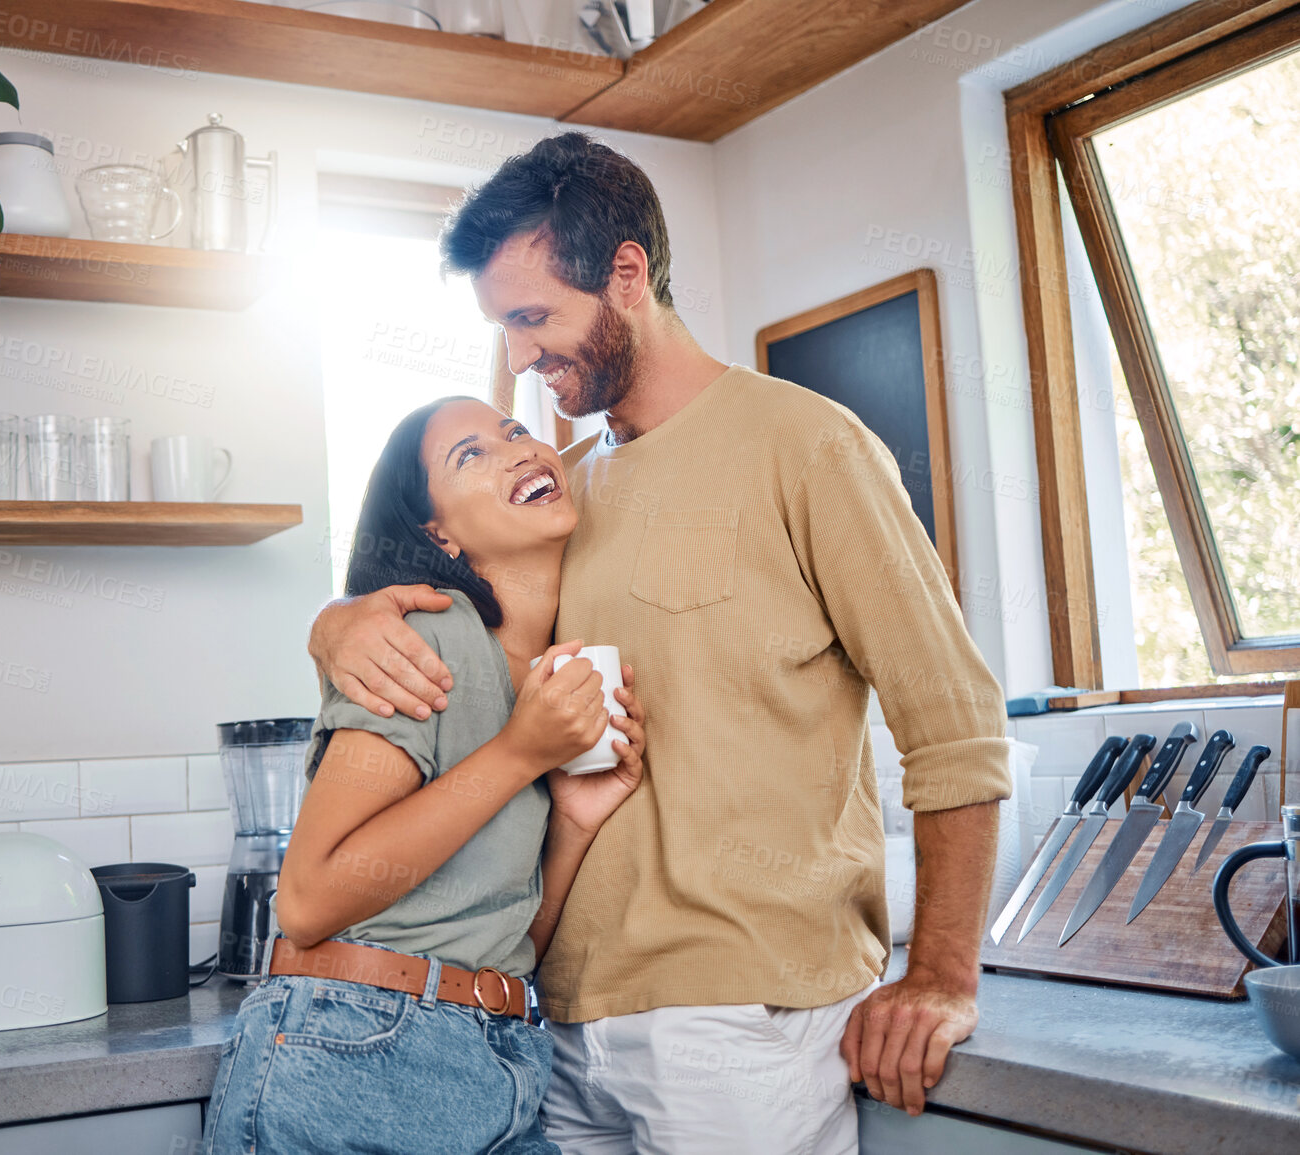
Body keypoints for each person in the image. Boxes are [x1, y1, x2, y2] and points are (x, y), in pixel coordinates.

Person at [308, 133, 1014, 1154]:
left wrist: (944, 974)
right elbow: (450, 632)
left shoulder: (808, 447)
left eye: (532, 318)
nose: (518, 358)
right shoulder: (560, 491)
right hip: (556, 1030)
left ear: (627, 275)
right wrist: (332, 623)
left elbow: (955, 725)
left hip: (743, 1030)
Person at [201, 396, 648, 1155]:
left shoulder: (536, 684)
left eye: (513, 430)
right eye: (468, 454)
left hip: (493, 1058)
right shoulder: (422, 638)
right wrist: (519, 753)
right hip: (354, 1058)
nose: (517, 448)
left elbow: (493, 942)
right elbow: (307, 901)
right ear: (436, 532)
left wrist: (570, 815)